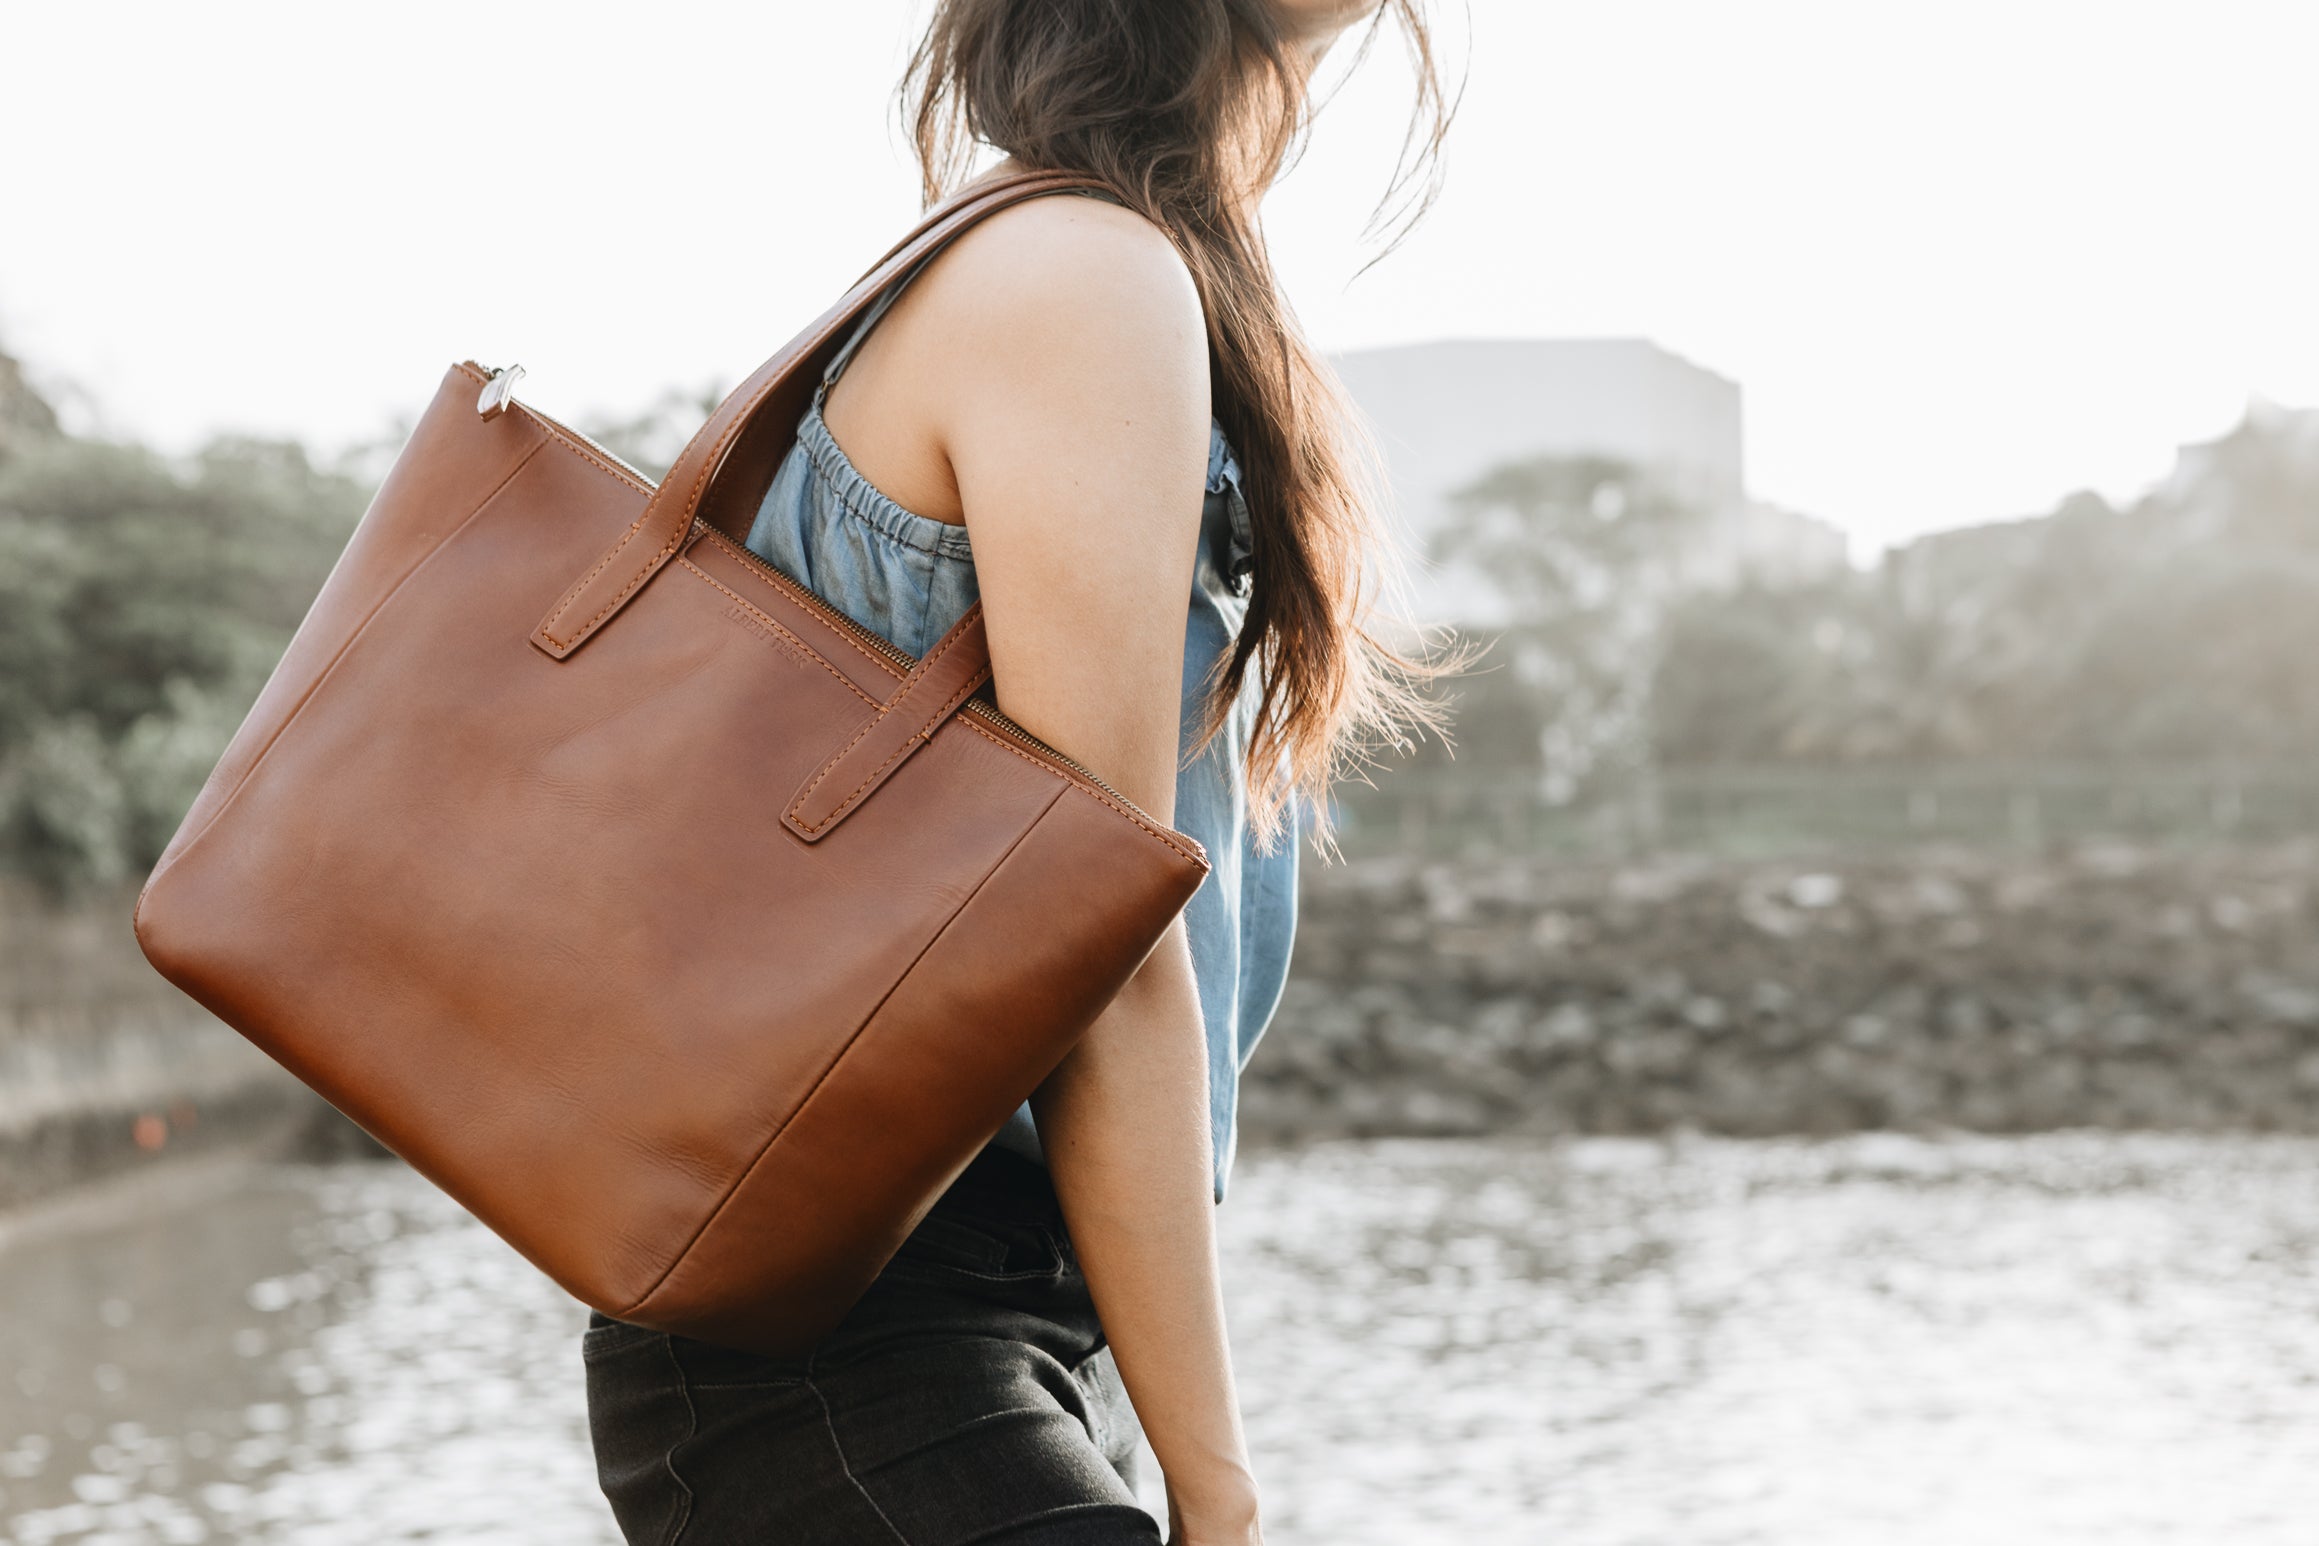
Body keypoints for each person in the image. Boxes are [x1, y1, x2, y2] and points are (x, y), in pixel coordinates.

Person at [583, 3, 1455, 1541]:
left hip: (943, 1333)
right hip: (856, 1341)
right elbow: (1097, 947)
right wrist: (1219, 1486)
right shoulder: (1083, 279)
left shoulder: (1113, 274)